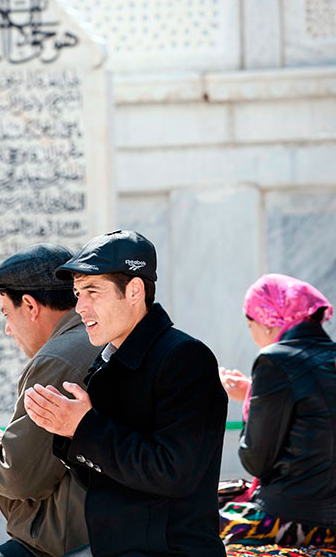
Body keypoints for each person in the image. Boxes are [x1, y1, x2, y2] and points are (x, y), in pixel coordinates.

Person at [24, 229, 228, 557]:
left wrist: (83, 427)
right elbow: (104, 478)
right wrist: (67, 429)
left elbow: (175, 472)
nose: (80, 307)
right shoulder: (107, 362)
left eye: (92, 292)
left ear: (134, 291)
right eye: (77, 293)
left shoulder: (185, 358)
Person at [0, 243, 100, 557]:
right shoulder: (92, 338)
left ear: (30, 305)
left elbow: (21, 476)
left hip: (65, 546)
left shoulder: (58, 357)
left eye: (7, 313)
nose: (7, 329)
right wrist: (5, 443)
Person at [219, 273, 336, 548]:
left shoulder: (275, 360)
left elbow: (255, 460)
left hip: (296, 518)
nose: (253, 335)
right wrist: (253, 392)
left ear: (268, 322)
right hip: (326, 513)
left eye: (250, 325)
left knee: (185, 522)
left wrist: (252, 402)